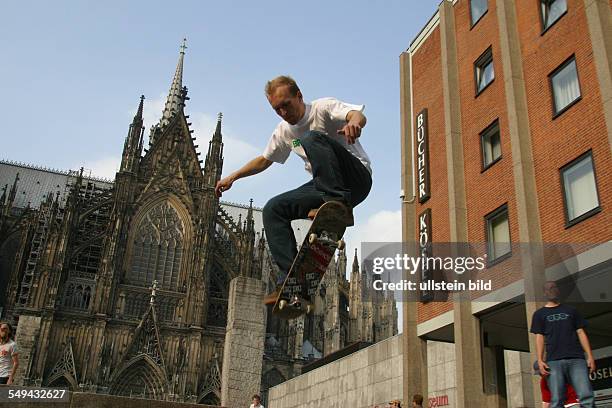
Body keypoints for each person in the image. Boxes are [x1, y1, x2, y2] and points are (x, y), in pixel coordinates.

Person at [215, 76, 372, 304]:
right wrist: (232, 177)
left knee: (311, 138)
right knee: (273, 209)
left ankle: (337, 204)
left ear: (299, 95)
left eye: (285, 104)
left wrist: (354, 123)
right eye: (276, 109)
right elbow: (264, 160)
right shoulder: (284, 131)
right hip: (324, 186)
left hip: (356, 179)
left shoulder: (322, 108)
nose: (282, 112)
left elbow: (357, 114)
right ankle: (292, 280)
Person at [530, 281, 596, 408]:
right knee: (557, 400)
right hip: (553, 361)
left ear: (558, 290)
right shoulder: (539, 314)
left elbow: (581, 332)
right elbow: (539, 337)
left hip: (576, 358)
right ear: (544, 293)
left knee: (586, 396)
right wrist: (539, 360)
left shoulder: (571, 310)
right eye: (548, 289)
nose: (551, 290)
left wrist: (590, 356)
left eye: (553, 288)